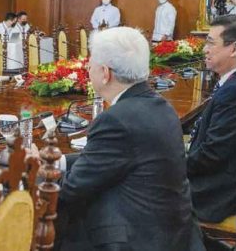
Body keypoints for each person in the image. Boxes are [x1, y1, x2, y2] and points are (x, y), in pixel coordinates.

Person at [45, 27, 204, 251]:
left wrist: (35, 176)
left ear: (105, 72)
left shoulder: (116, 120)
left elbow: (73, 190)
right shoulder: (161, 106)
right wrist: (56, 161)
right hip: (172, 230)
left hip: (136, 238)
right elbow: (110, 159)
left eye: (90, 64)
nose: (87, 69)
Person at [187, 14, 236, 224]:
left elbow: (212, 155)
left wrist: (170, 165)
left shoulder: (232, 92)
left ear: (233, 49)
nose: (204, 49)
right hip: (219, 174)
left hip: (218, 191)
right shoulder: (229, 84)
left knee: (140, 191)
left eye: (210, 43)